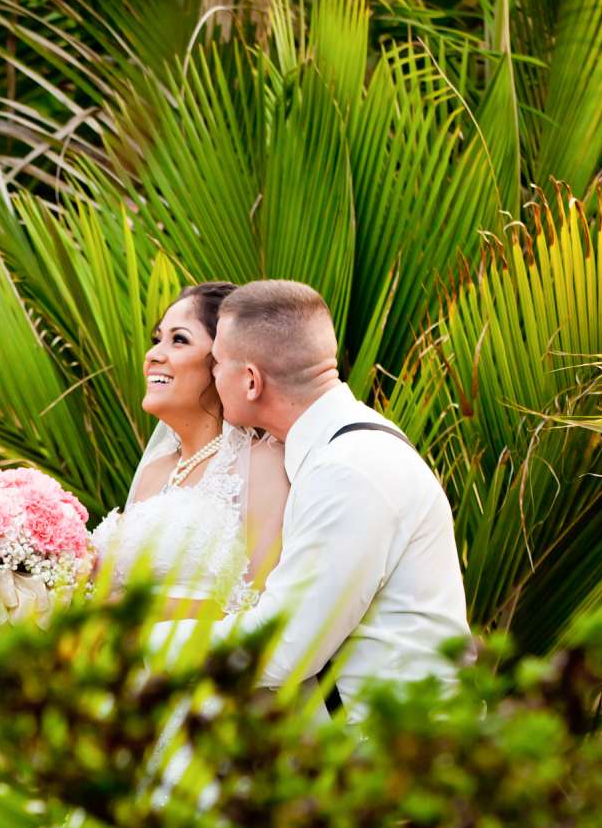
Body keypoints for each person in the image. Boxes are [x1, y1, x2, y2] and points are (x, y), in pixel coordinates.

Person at [209, 279, 468, 709]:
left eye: (217, 363)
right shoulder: (341, 448)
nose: (212, 376)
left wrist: (141, 644)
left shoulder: (347, 469)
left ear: (251, 380)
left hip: (392, 747)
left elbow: (284, 647)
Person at [91, 282, 288, 623]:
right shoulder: (155, 470)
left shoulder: (264, 464)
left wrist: (137, 609)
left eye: (179, 339)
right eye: (157, 340)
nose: (153, 355)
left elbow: (258, 608)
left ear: (222, 362)